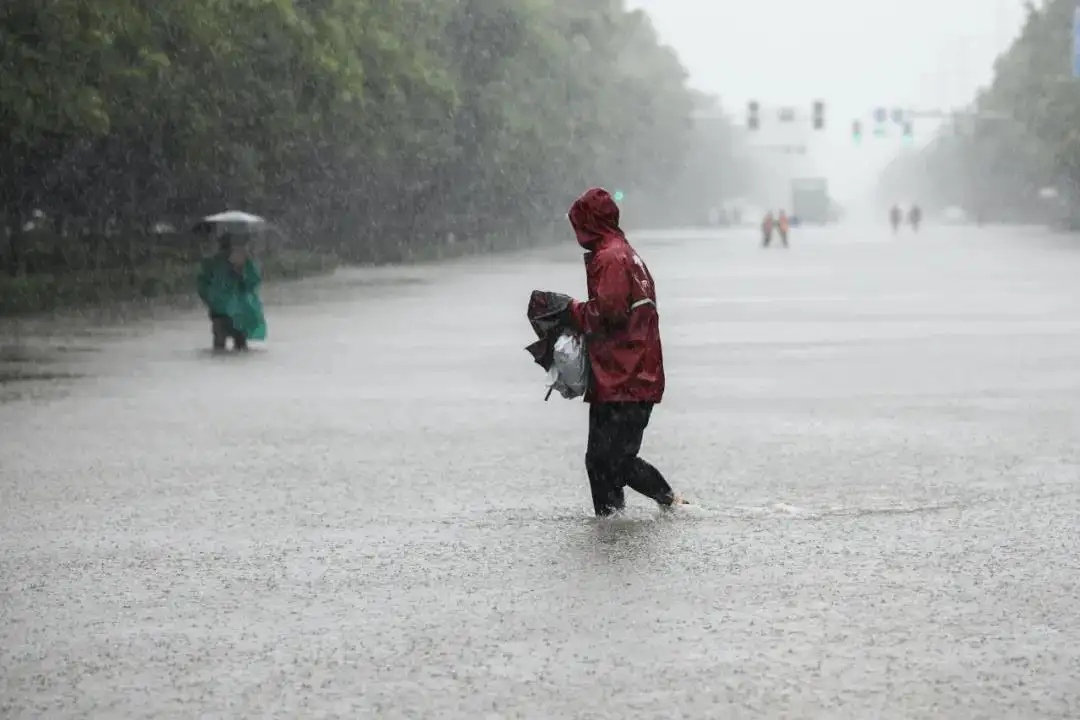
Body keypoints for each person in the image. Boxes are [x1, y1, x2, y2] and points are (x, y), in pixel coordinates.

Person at [563, 187, 686, 517]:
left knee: (613, 461)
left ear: (588, 222)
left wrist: (568, 310)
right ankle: (615, 524)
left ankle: (667, 503)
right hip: (629, 375)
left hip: (625, 377)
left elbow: (608, 313)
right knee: (605, 460)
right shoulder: (623, 253)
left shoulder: (611, 258)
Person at [196, 233, 266, 352]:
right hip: (229, 309)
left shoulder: (244, 261)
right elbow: (253, 283)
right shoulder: (212, 262)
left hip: (234, 309)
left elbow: (252, 283)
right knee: (233, 343)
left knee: (226, 343)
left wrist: (240, 270)